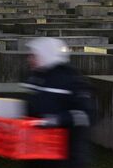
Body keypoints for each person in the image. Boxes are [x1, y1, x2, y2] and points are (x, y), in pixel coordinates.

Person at [22, 37, 94, 168]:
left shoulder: (71, 79)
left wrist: (57, 120)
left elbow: (87, 115)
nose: (29, 59)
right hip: (38, 152)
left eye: (33, 55)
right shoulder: (35, 78)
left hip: (65, 155)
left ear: (45, 55)